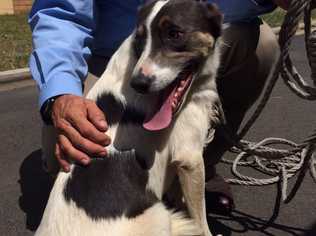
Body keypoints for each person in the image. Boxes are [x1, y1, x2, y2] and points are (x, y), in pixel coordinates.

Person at [29, 0, 290, 215]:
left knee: (260, 44)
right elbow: (60, 14)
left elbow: (210, 10)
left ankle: (198, 168)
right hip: (104, 59)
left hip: (176, 48)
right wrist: (61, 95)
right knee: (68, 152)